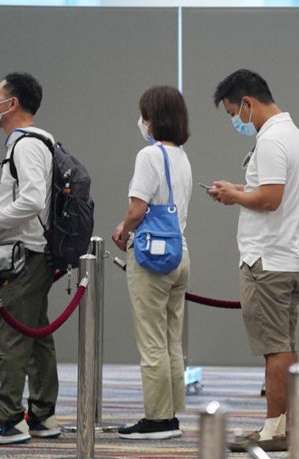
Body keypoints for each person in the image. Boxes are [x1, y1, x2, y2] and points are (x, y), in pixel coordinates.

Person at [209, 69, 299, 452]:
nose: (236, 121)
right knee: (284, 344)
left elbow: (270, 199)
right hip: (287, 255)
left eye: (234, 112)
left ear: (248, 103)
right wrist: (238, 190)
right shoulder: (293, 135)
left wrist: (236, 197)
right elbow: (269, 192)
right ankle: (287, 422)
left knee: (275, 348)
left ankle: (274, 429)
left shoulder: (271, 140)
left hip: (266, 260)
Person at [0, 72, 59, 444]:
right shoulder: (41, 141)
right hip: (28, 252)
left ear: (12, 103)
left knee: (11, 338)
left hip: (25, 254)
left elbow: (32, 200)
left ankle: (9, 419)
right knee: (36, 336)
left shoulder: (25, 144)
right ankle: (41, 415)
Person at [111, 85, 193, 440]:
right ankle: (171, 411)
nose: (141, 122)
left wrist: (122, 229)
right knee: (172, 338)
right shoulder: (182, 157)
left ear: (153, 119)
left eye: (144, 115)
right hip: (180, 254)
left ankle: (157, 418)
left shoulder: (149, 156)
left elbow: (138, 207)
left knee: (151, 339)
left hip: (150, 255)